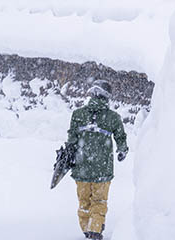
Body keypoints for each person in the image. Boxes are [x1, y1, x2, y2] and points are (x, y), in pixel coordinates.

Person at [66, 79, 128, 240]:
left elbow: (71, 140)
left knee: (84, 201)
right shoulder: (113, 117)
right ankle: (95, 230)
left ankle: (87, 229)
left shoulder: (78, 114)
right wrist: (122, 151)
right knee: (99, 201)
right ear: (106, 97)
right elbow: (121, 137)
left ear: (92, 94)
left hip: (81, 169)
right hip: (103, 170)